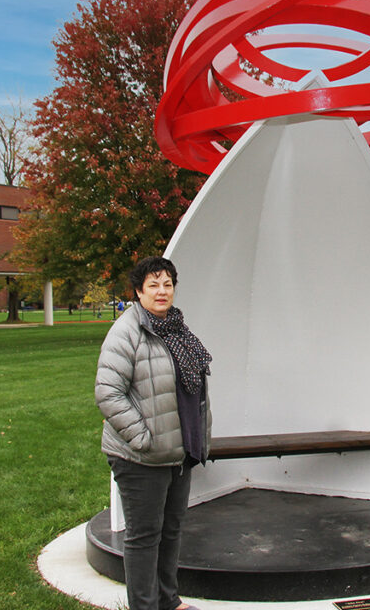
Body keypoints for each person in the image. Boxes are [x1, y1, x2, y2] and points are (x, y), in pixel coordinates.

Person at [95, 256, 210, 610]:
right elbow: (107, 392)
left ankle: (168, 600)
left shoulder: (176, 327)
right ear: (139, 291)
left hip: (178, 451)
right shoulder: (128, 331)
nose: (162, 292)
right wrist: (143, 439)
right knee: (144, 537)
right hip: (142, 456)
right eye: (153, 285)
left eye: (167, 284)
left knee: (171, 531)